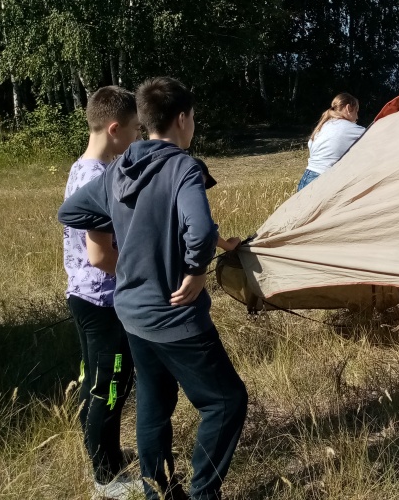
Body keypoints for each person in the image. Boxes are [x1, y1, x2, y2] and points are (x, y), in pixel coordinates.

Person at [59, 77, 248, 500]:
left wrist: (132, 244)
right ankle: (202, 493)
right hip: (174, 316)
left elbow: (70, 210)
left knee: (154, 402)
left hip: (132, 312)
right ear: (182, 119)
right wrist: (196, 272)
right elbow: (196, 229)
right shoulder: (183, 166)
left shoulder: (120, 169)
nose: (193, 124)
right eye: (193, 117)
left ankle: (156, 490)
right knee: (226, 401)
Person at [62, 86, 140, 500]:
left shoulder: (81, 167)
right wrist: (139, 275)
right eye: (133, 130)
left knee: (95, 382)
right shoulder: (101, 177)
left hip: (83, 295)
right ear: (114, 129)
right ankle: (106, 479)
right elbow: (99, 255)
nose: (137, 138)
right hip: (103, 299)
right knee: (110, 387)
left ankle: (103, 453)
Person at [297, 93, 365, 191]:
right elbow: (375, 136)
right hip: (322, 182)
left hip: (306, 178)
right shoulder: (350, 128)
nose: (357, 117)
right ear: (348, 108)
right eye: (356, 111)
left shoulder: (323, 126)